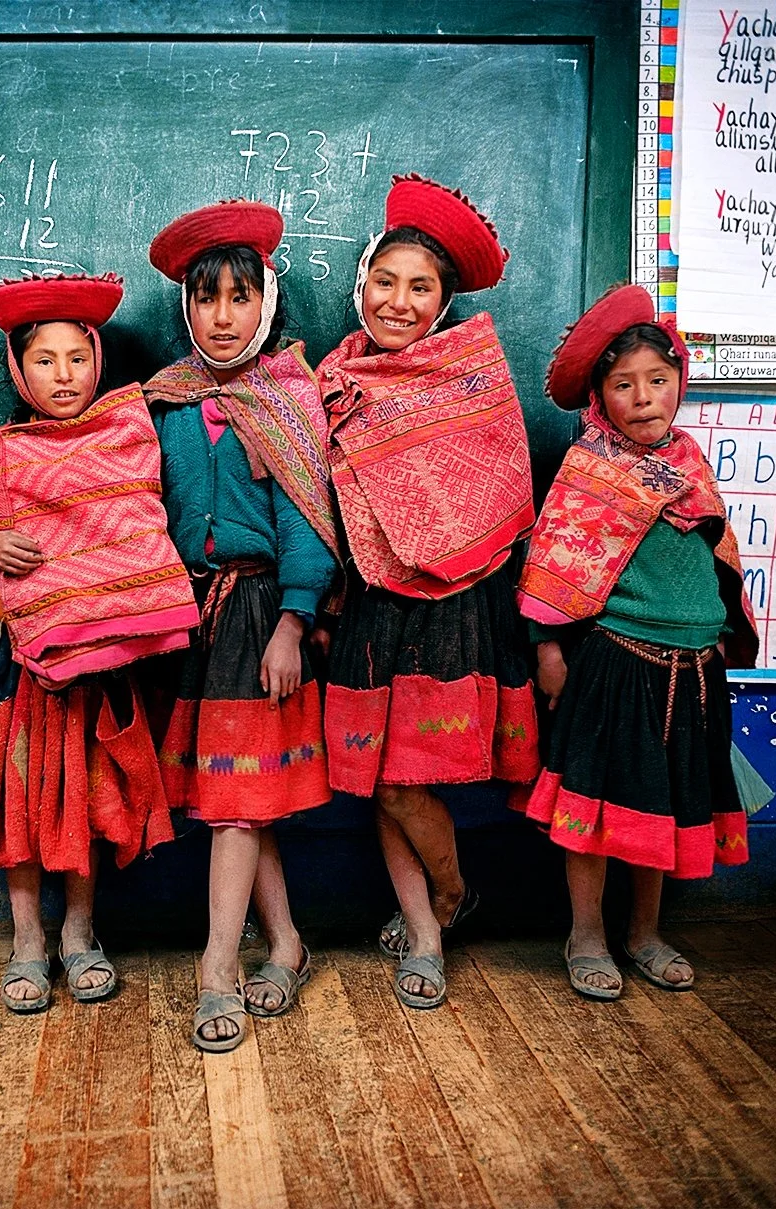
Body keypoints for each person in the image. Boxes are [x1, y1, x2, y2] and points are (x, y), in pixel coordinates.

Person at [0, 272, 190, 1014]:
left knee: (85, 796)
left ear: (98, 361)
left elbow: (140, 531)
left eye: (78, 357)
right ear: (18, 369)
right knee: (15, 800)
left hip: (92, 663)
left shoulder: (122, 445)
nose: (64, 375)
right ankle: (25, 941)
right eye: (45, 360)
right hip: (7, 663)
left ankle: (79, 931)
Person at [317, 175, 539, 1009]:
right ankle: (428, 926)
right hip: (371, 603)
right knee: (380, 774)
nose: (399, 302)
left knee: (411, 776)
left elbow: (504, 486)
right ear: (362, 283)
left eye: (421, 288)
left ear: (444, 302)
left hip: (458, 604)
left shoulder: (474, 373)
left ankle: (444, 897)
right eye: (386, 282)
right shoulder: (333, 377)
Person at [517, 284, 757, 1000]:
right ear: (601, 398)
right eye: (624, 385)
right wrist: (549, 652)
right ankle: (585, 933)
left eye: (658, 380)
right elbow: (553, 564)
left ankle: (644, 932)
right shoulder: (590, 469)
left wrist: (717, 632)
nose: (644, 397)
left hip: (691, 673)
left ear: (680, 383)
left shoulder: (691, 467)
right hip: (615, 666)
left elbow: (718, 559)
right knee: (592, 812)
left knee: (658, 809)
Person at [144, 200, 339, 1051]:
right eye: (208, 298)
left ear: (267, 302)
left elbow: (308, 520)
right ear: (188, 307)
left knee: (233, 808)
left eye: (241, 297)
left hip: (260, 618)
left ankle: (217, 972)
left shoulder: (289, 398)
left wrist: (294, 622)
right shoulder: (165, 402)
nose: (224, 316)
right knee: (238, 801)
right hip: (189, 614)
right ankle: (287, 943)